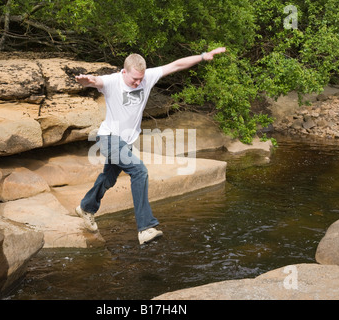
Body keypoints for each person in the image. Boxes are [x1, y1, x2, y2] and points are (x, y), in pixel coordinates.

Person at [74, 47, 226, 245]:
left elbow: (176, 65)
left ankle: (86, 207)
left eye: (140, 79)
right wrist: (90, 81)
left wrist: (202, 57)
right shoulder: (113, 81)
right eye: (134, 79)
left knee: (109, 178)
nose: (138, 83)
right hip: (109, 139)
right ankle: (146, 228)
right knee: (139, 171)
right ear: (124, 72)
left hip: (126, 142)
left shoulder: (147, 77)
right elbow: (97, 81)